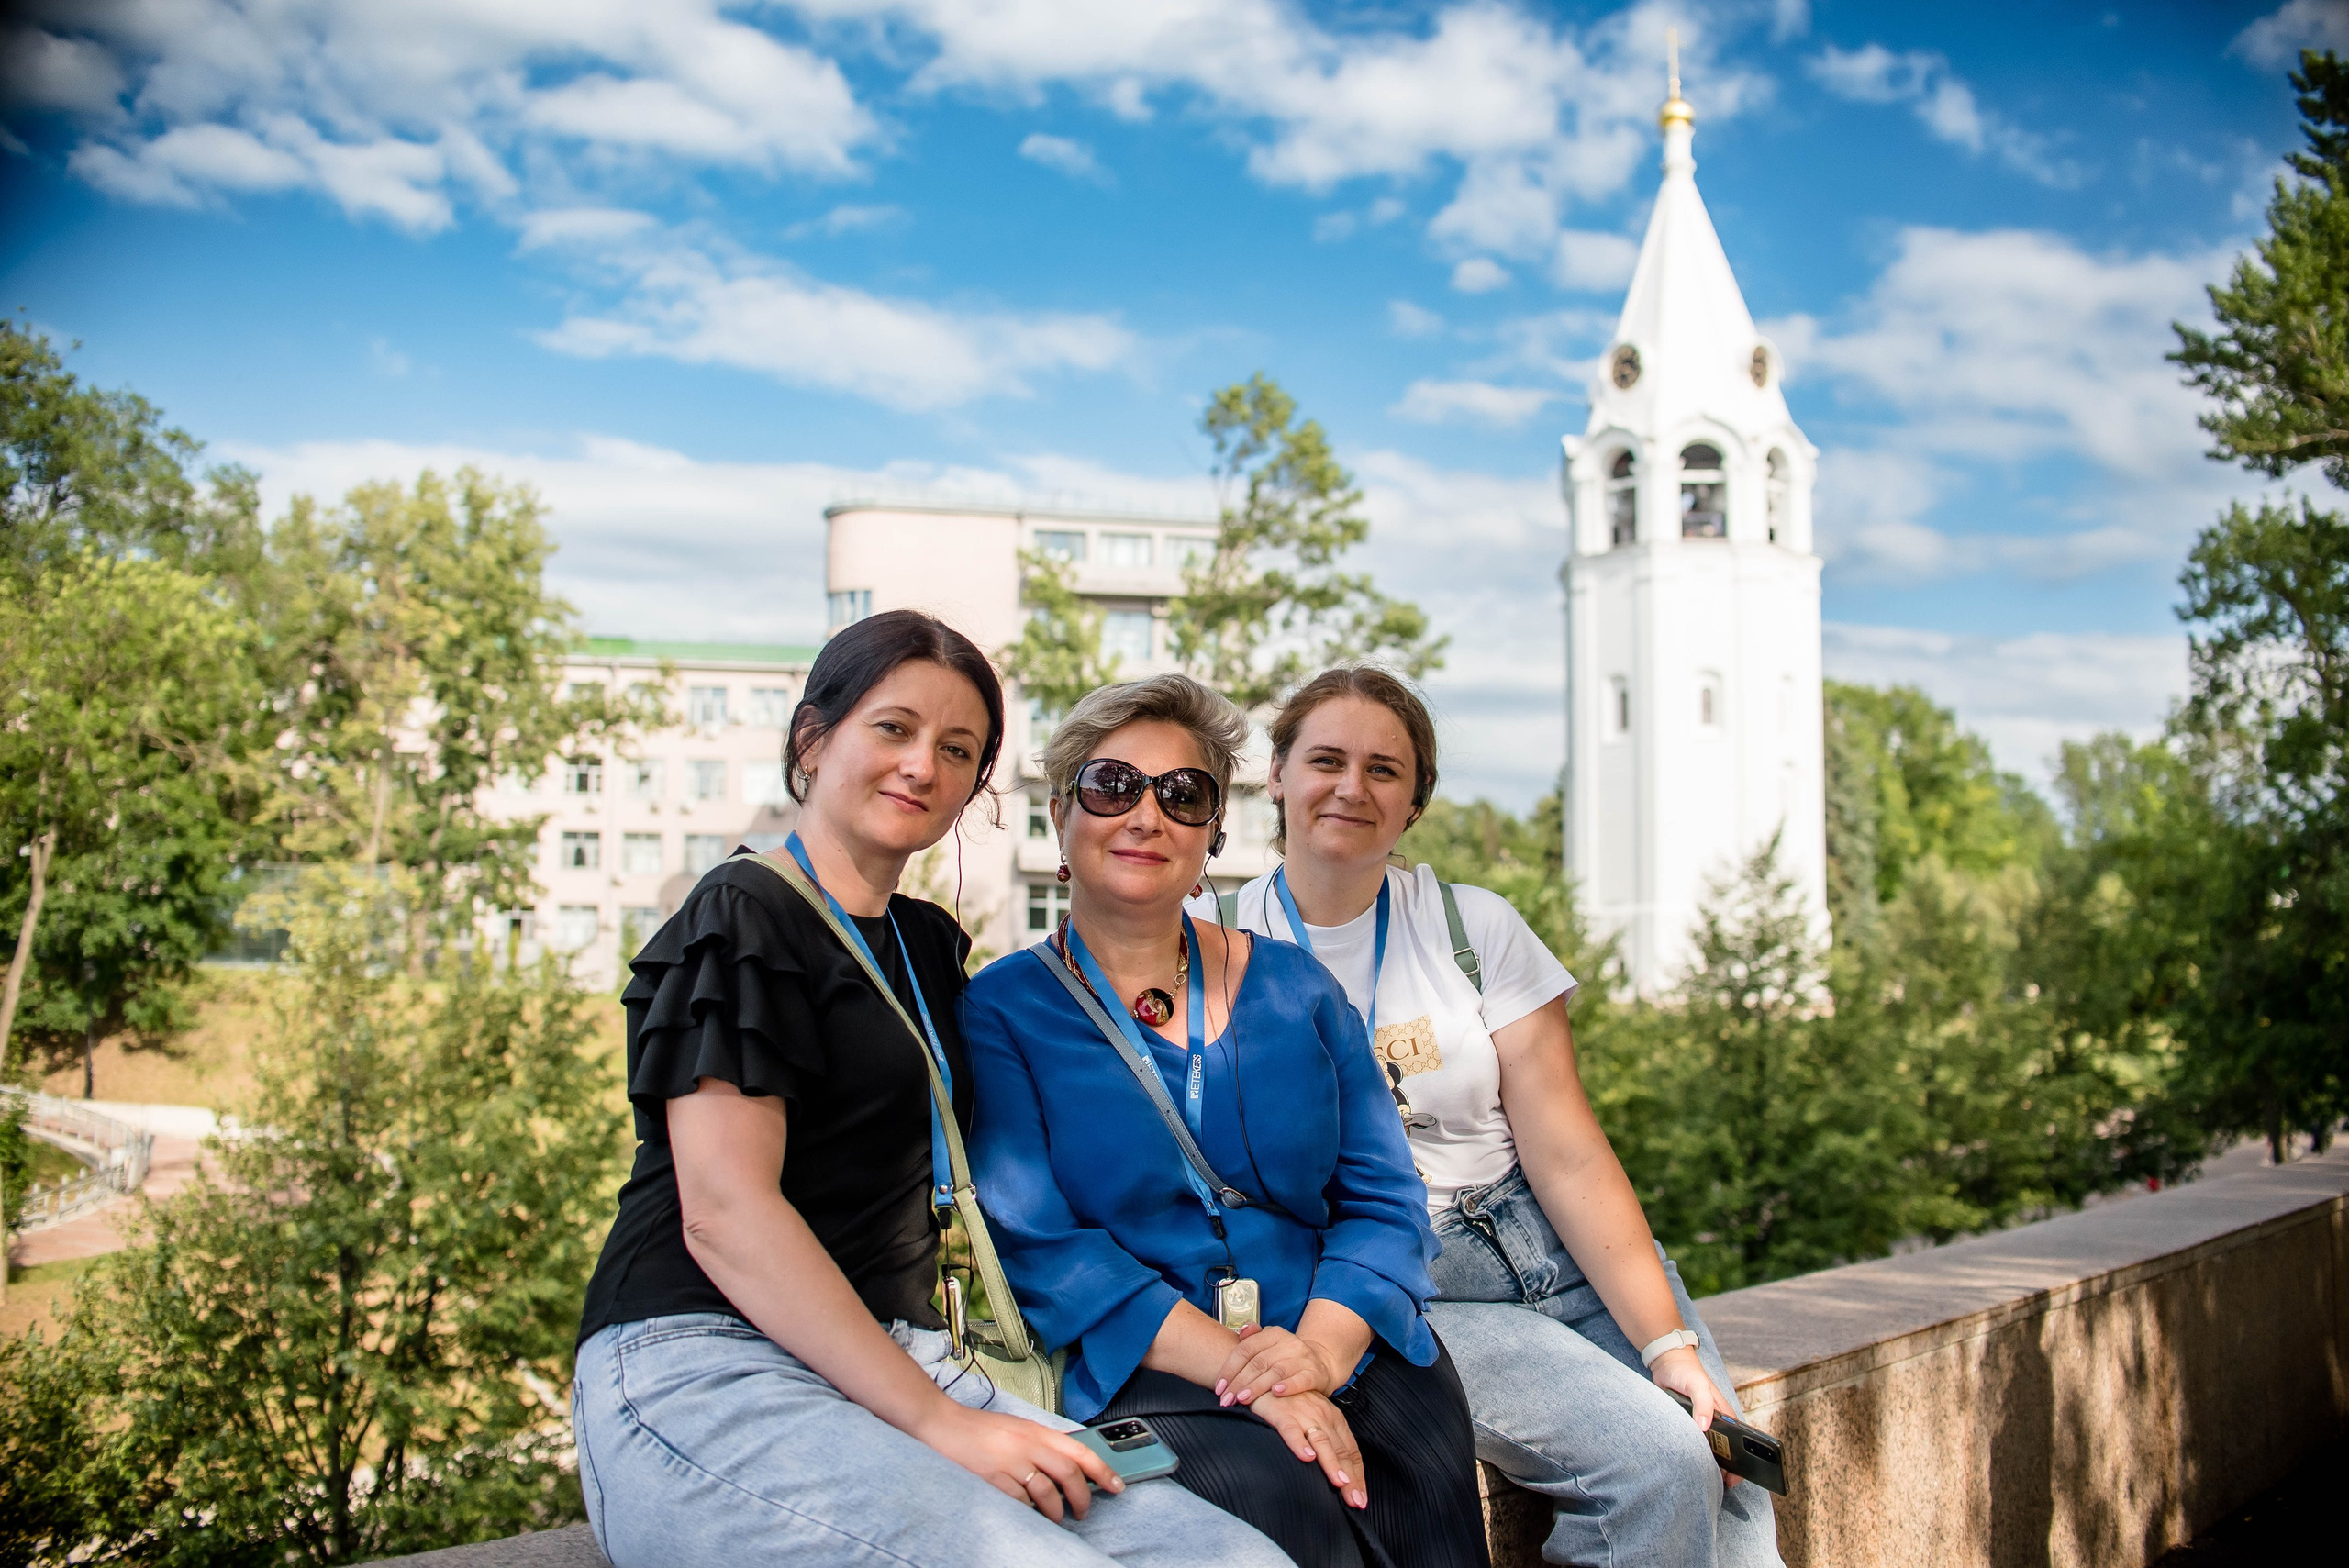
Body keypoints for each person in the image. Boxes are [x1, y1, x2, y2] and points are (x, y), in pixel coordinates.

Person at [570, 612, 1286, 1568]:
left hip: (890, 1350)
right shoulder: (744, 914)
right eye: (893, 728)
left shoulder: (925, 945)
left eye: (958, 748)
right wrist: (940, 1421)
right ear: (813, 739)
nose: (923, 766)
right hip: (704, 1355)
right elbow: (724, 1214)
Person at [1200, 666, 1785, 1568]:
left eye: (1384, 769)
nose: (1351, 786)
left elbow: (1568, 1151)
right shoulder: (1212, 943)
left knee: (1736, 1486)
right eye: (1324, 759)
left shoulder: (1473, 927)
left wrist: (1666, 1339)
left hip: (1549, 1238)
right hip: (1410, 1275)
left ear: (1415, 802)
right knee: (1658, 1466)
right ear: (1275, 776)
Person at [963, 673, 1491, 1568]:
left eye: (1182, 794)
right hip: (1159, 1370)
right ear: (1061, 812)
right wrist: (1246, 1373)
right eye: (1111, 785)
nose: (1145, 814)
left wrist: (1316, 1356)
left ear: (1211, 833)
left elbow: (1382, 1195)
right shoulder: (1001, 1009)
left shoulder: (1297, 987)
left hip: (1346, 1341)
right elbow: (1045, 1246)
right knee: (1286, 1509)